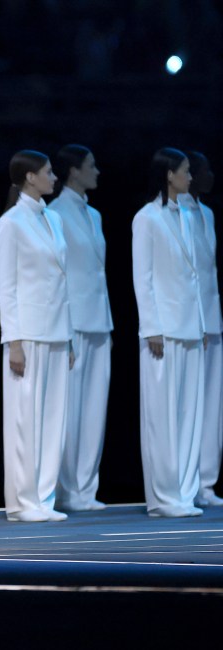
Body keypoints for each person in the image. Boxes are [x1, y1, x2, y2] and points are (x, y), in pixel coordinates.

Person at [0, 150, 74, 523]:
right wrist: (14, 339)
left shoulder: (54, 219)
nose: (54, 177)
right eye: (48, 172)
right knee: (25, 418)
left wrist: (70, 333)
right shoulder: (11, 223)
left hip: (57, 329)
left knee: (53, 419)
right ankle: (23, 501)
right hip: (28, 331)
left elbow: (63, 281)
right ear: (30, 177)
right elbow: (6, 286)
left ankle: (44, 497)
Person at [133, 148, 206, 517]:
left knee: (190, 414)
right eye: (185, 172)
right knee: (163, 415)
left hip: (192, 325)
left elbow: (197, 277)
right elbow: (142, 278)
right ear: (169, 175)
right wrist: (152, 327)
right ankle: (163, 497)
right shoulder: (147, 218)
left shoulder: (190, 217)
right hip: (165, 328)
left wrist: (204, 323)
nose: (190, 177)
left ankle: (185, 491)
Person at [50, 145, 113, 512]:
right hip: (72, 322)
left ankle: (85, 490)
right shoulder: (56, 213)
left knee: (93, 409)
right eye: (91, 166)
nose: (98, 171)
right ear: (73, 171)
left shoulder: (93, 214)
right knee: (70, 409)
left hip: (98, 319)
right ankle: (65, 489)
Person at [180, 152, 223, 508]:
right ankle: (185, 479)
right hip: (188, 323)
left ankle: (206, 481)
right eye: (203, 170)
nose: (209, 176)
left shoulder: (206, 213)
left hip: (212, 319)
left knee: (211, 405)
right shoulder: (171, 215)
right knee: (189, 405)